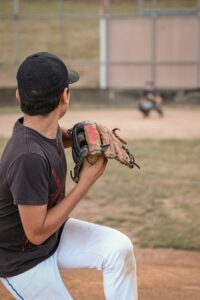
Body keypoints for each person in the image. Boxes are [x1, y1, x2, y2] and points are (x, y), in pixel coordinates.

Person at [0, 52, 138, 300]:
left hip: (52, 238)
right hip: (21, 261)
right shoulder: (27, 157)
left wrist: (81, 134)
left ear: (20, 95)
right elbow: (37, 232)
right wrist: (85, 182)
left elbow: (58, 136)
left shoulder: (40, 126)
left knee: (118, 248)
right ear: (64, 96)